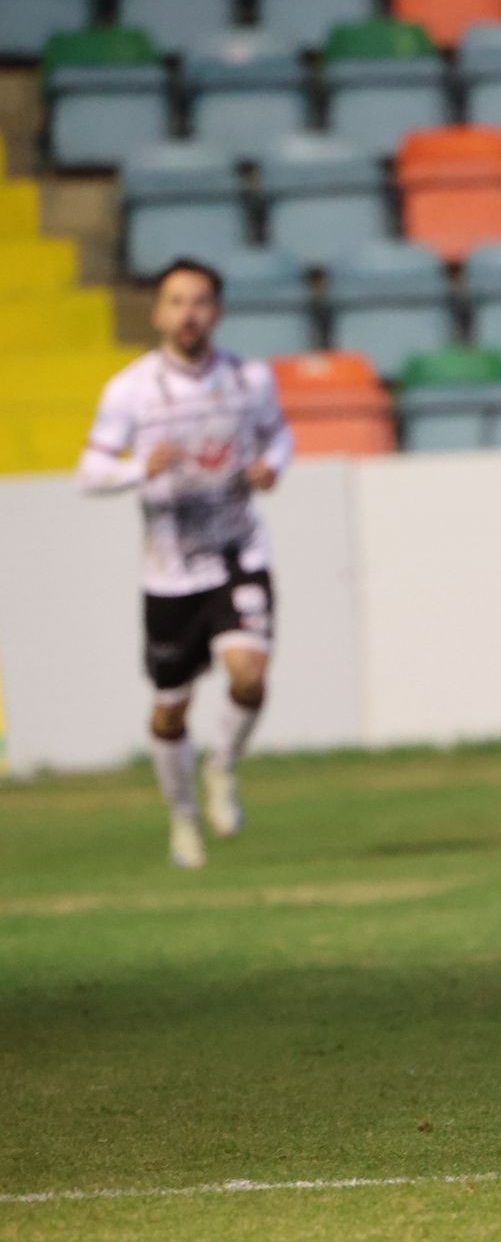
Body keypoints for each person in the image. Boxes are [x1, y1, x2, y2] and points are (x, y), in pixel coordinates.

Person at [77, 258, 293, 869]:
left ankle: (222, 765)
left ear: (216, 312)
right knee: (171, 707)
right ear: (157, 314)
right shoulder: (130, 390)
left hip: (238, 551)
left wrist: (272, 466)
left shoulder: (250, 378)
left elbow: (280, 435)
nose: (188, 314)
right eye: (175, 302)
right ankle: (183, 815)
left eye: (199, 301)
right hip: (170, 571)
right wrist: (135, 470)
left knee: (249, 673)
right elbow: (89, 472)